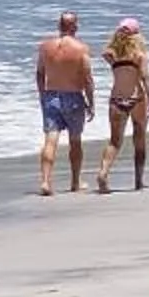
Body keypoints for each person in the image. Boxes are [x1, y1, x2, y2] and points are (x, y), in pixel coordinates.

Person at [35, 11, 96, 196]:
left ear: (59, 25)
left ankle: (45, 181)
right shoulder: (81, 49)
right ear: (75, 26)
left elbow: (39, 74)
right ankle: (75, 182)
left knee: (50, 140)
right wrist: (91, 102)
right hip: (73, 96)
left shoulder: (46, 47)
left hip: (51, 95)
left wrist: (42, 95)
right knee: (75, 141)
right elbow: (87, 79)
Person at [96, 19, 149, 193]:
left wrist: (117, 41)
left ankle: (103, 172)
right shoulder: (139, 56)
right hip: (136, 99)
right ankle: (138, 181)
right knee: (139, 139)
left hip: (116, 99)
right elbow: (145, 78)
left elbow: (106, 52)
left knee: (115, 141)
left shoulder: (111, 56)